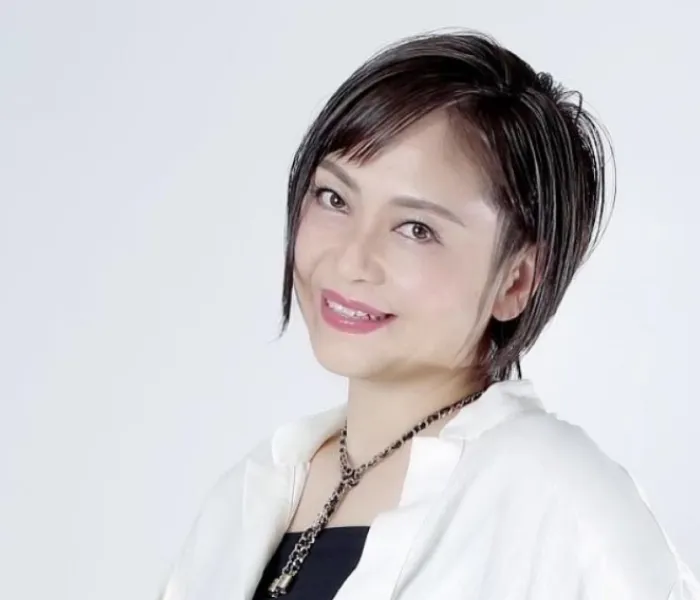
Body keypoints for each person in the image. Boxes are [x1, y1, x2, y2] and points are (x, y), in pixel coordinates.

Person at [158, 30, 700, 600]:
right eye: (334, 198)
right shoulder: (251, 494)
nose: (351, 260)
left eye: (416, 229)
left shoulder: (557, 501)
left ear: (516, 281)